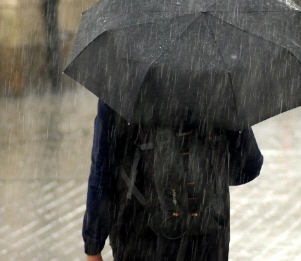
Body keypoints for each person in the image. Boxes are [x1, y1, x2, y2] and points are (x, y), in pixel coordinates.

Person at [83, 99, 264, 260]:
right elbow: (249, 165)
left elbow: (102, 172)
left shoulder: (123, 83)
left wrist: (93, 244)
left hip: (138, 233)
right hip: (207, 232)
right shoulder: (218, 83)